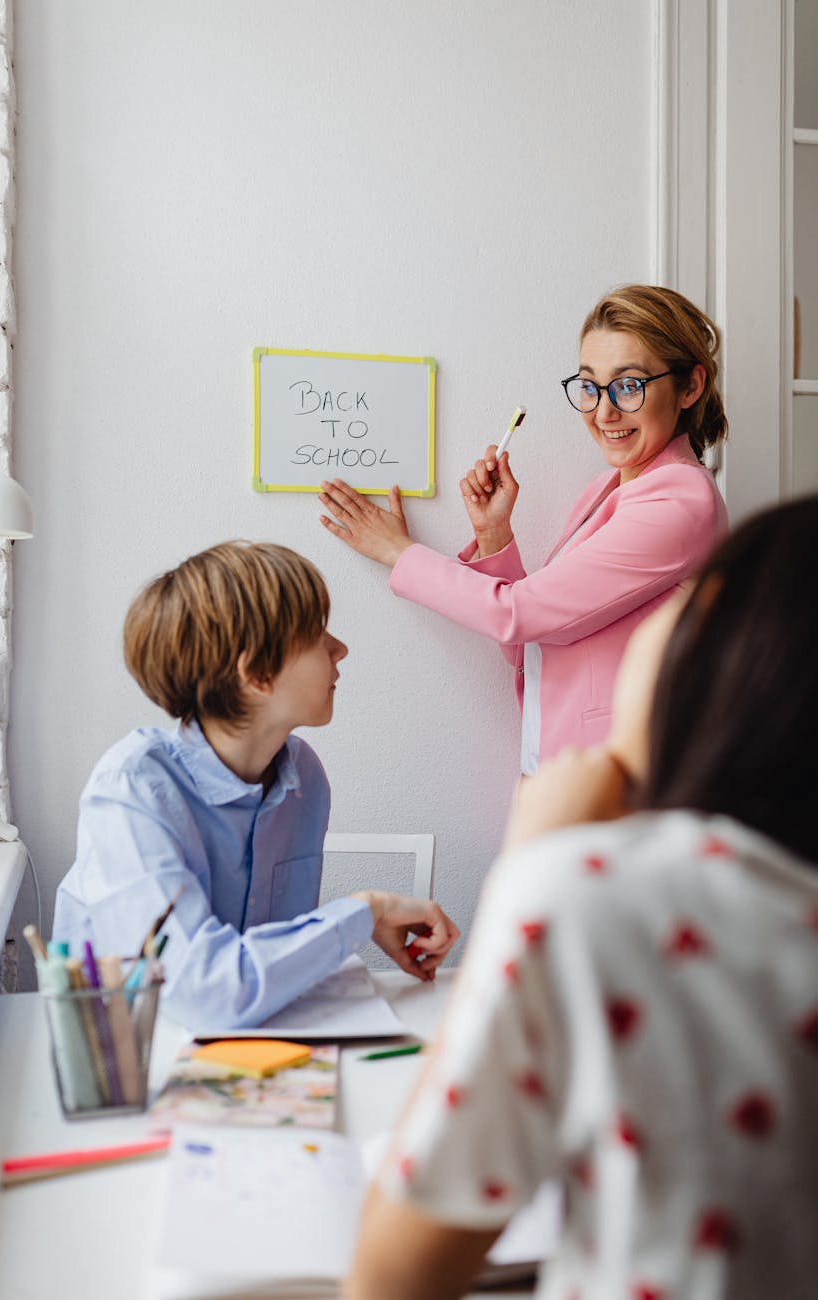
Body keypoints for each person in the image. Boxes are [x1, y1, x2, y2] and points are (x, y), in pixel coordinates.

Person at [345, 494, 818, 1300]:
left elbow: (392, 1277)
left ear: (717, 645)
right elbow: (534, 644)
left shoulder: (589, 895)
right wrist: (493, 541)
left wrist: (530, 868)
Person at [319, 284, 729, 773]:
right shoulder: (606, 488)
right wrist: (494, 535)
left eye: (630, 385)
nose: (603, 412)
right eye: (590, 386)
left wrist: (397, 551)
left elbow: (518, 614)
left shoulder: (680, 501)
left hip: (620, 778)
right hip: (557, 759)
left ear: (690, 386)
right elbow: (531, 640)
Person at [52, 541, 459, 1030]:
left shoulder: (304, 778)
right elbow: (207, 993)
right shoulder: (131, 792)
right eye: (317, 634)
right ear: (257, 674)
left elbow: (260, 967)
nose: (340, 649)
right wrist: (363, 913)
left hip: (243, 1052)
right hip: (128, 1067)